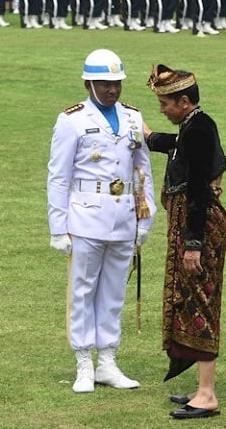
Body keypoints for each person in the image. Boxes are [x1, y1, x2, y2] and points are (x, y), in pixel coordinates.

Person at [47, 49, 156, 394]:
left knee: (112, 293)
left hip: (123, 214)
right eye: (105, 84)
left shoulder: (132, 118)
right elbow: (58, 176)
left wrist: (145, 218)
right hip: (85, 216)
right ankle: (83, 363)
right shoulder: (72, 120)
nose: (112, 90)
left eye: (117, 83)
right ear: (88, 82)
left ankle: (107, 361)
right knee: (82, 291)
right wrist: (58, 226)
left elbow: (142, 171)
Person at [143, 64, 226, 419]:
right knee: (192, 300)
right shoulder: (194, 127)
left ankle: (207, 395)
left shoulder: (199, 130)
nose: (162, 109)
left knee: (201, 301)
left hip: (199, 225)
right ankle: (201, 388)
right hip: (194, 224)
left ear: (184, 101)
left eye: (165, 103)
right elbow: (174, 145)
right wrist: (147, 136)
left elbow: (196, 189)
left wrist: (192, 243)